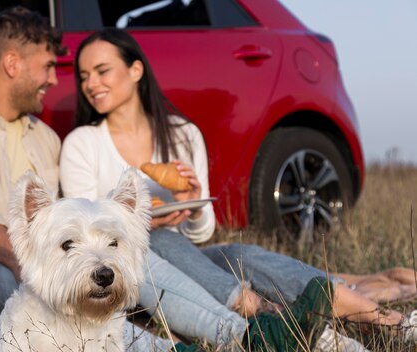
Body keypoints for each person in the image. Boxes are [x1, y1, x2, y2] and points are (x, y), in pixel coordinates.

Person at [59, 28, 416, 350]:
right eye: (84, 76)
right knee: (158, 240)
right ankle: (287, 319)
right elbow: (90, 228)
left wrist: (193, 205)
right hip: (132, 276)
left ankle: (389, 321)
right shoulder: (82, 144)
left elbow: (203, 232)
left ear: (136, 71)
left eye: (102, 71)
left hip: (189, 261)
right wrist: (147, 224)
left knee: (242, 255)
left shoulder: (182, 134)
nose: (91, 84)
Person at [0, 7, 183, 352]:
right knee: (15, 268)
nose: (55, 80)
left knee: (124, 259)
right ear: (12, 64)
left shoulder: (45, 138)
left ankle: (195, 335)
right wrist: (39, 262)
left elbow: (76, 226)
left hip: (46, 291)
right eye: (47, 67)